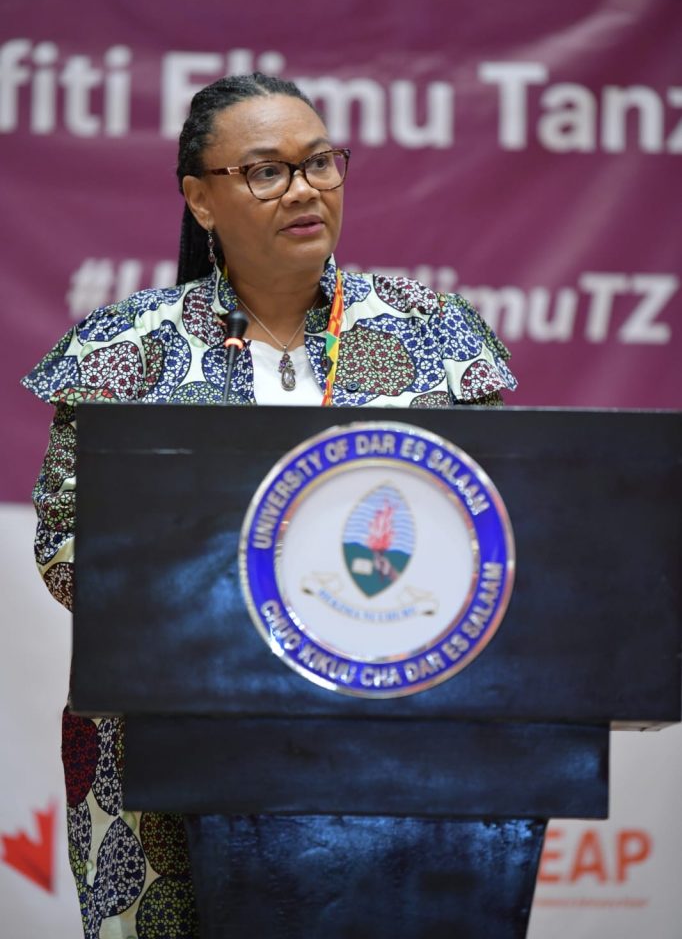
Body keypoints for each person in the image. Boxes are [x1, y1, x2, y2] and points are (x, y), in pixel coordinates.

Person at [22, 72, 517, 937]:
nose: (304, 189)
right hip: (175, 735)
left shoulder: (434, 335)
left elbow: (503, 519)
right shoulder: (123, 348)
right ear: (199, 199)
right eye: (266, 171)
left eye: (320, 162)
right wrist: (244, 608)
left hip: (398, 730)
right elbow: (67, 544)